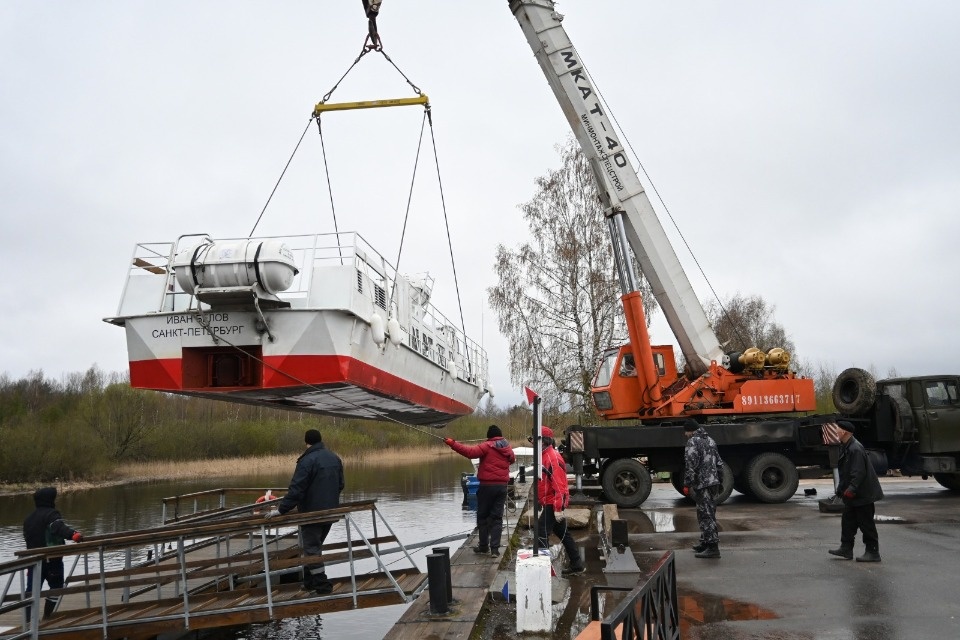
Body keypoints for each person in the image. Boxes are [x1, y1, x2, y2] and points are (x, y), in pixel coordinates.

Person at [271, 429, 344, 594]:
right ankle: (309, 582)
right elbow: (340, 485)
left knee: (311, 549)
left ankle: (322, 585)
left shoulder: (307, 460)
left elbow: (297, 489)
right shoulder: (334, 458)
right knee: (314, 548)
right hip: (330, 512)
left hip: (312, 514)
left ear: (306, 442)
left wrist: (281, 509)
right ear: (320, 440)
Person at [445, 425, 515, 556]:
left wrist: (452, 443)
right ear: (499, 435)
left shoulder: (487, 446)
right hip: (501, 487)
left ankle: (483, 546)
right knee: (497, 518)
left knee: (482, 516)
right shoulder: (507, 447)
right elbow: (512, 460)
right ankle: (495, 550)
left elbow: (470, 452)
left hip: (487, 486)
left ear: (489, 436)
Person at [22, 487, 83, 620]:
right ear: (49, 499)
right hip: (52, 560)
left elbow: (28, 541)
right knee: (56, 587)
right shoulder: (51, 514)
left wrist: (28, 563)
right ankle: (47, 617)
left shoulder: (28, 519)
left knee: (31, 591)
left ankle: (27, 623)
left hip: (33, 561)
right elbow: (58, 527)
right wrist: (74, 535)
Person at [829, 420, 884, 562]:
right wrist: (841, 490)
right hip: (853, 495)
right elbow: (846, 473)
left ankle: (873, 552)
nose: (836, 432)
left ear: (845, 432)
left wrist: (851, 489)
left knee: (866, 524)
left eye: (838, 430)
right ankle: (846, 549)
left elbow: (858, 473)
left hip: (863, 494)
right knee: (848, 521)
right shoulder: (846, 446)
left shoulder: (855, 449)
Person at [534, 426, 584, 576]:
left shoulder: (552, 458)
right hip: (548, 501)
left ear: (544, 441)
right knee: (564, 534)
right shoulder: (543, 456)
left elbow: (560, 486)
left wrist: (558, 508)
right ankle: (576, 564)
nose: (534, 444)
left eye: (537, 440)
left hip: (553, 503)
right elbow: (543, 482)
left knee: (540, 533)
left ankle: (543, 569)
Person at [683, 420, 724, 559]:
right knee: (709, 513)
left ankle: (713, 548)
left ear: (690, 430)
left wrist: (687, 484)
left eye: (685, 432)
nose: (685, 434)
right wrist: (720, 481)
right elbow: (719, 463)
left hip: (703, 484)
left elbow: (690, 465)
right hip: (713, 483)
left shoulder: (692, 442)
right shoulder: (711, 440)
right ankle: (706, 542)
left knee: (705, 515)